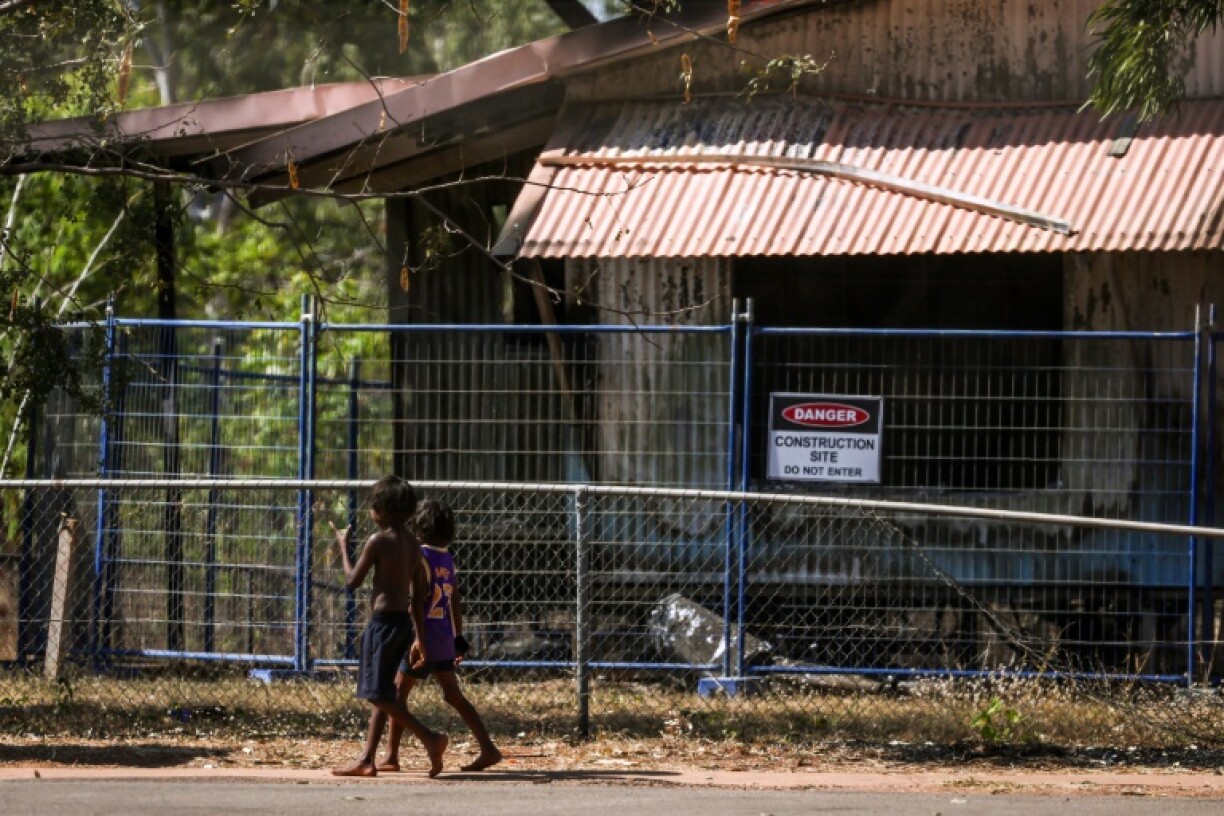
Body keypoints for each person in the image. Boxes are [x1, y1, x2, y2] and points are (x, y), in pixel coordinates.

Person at [331, 475, 449, 778]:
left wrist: (343, 546)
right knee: (382, 694)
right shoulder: (413, 545)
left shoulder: (378, 541)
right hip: (404, 626)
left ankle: (429, 738)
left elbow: (352, 580)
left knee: (376, 695)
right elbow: (419, 596)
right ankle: (368, 759)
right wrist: (420, 639)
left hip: (382, 626)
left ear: (381, 509)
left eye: (373, 505)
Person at [375, 499, 502, 773]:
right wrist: (458, 636)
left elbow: (417, 602)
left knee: (396, 695)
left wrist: (417, 640)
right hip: (444, 637)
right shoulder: (447, 558)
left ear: (418, 527)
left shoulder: (419, 556)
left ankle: (393, 755)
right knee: (453, 696)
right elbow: (454, 599)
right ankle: (488, 748)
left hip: (423, 638)